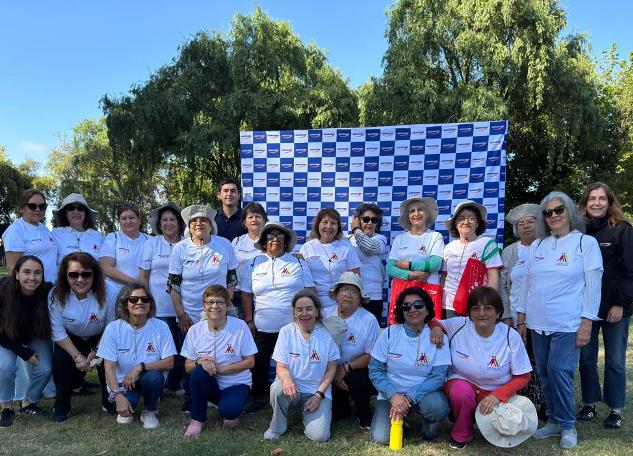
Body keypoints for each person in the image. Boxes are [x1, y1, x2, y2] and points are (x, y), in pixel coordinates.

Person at [514, 191, 603, 449]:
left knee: (559, 370)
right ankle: (553, 420)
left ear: (570, 212)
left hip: (568, 323)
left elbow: (593, 286)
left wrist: (587, 323)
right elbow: (526, 284)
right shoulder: (538, 245)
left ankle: (567, 425)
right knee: (543, 372)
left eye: (559, 210)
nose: (553, 215)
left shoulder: (585, 243)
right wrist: (521, 319)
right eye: (548, 212)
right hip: (537, 323)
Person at [430, 287, 532, 450]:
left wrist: (498, 396)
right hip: (463, 383)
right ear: (470, 313)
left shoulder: (510, 336)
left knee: (500, 428)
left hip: (495, 391)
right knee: (461, 392)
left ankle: (475, 417)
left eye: (488, 308)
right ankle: (462, 433)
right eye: (476, 308)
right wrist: (436, 327)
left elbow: (523, 376)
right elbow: (433, 321)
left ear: (498, 313)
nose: (481, 313)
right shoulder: (459, 324)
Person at [240, 222, 314, 413]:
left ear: (286, 241)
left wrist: (306, 320)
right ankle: (258, 396)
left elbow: (310, 292)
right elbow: (246, 294)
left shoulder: (298, 262)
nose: (275, 239)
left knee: (295, 362)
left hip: (293, 328)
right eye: (270, 235)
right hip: (262, 327)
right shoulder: (254, 263)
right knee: (259, 363)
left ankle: (297, 394)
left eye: (280, 235)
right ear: (264, 241)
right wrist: (249, 320)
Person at [577, 182, 633, 429]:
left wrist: (620, 304)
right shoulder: (579, 233)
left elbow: (630, 271)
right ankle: (589, 404)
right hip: (586, 309)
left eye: (602, 198)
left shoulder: (622, 229)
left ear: (610, 202)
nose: (597, 203)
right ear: (585, 203)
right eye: (592, 199)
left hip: (615, 308)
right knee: (586, 358)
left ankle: (615, 409)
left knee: (615, 360)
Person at [368, 287, 450, 445]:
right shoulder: (389, 334)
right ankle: (401, 420)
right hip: (391, 394)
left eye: (418, 305)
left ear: (427, 309)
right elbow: (375, 370)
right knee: (380, 438)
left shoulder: (438, 337)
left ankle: (428, 429)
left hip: (424, 394)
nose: (412, 309)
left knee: (438, 407)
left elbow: (438, 377)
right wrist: (393, 395)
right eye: (406, 306)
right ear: (401, 311)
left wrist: (409, 397)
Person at [97, 283, 177, 429]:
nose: (140, 302)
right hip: (123, 383)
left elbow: (169, 362)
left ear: (150, 304)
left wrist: (140, 367)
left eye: (145, 299)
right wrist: (117, 395)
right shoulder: (113, 328)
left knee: (153, 378)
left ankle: (150, 410)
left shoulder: (161, 326)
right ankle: (128, 402)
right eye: (133, 299)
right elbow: (109, 367)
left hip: (148, 377)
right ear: (125, 304)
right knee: (125, 414)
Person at [264, 290, 339, 442]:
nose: (304, 313)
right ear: (294, 313)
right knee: (277, 388)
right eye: (299, 309)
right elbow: (281, 366)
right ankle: (277, 427)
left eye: (309, 309)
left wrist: (319, 395)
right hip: (293, 388)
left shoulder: (328, 333)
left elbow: (331, 369)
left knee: (320, 436)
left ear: (317, 311)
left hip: (316, 391)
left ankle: (309, 413)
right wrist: (287, 380)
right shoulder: (286, 331)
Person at [181, 285, 257, 435]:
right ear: (204, 305)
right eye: (210, 302)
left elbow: (250, 362)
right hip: (211, 382)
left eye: (220, 302)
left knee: (229, 412)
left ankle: (227, 406)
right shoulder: (195, 330)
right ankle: (197, 419)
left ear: (227, 305)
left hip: (236, 383)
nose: (214, 306)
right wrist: (199, 362)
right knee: (198, 370)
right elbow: (188, 366)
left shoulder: (240, 326)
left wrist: (220, 368)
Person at [49, 252, 114, 422]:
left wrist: (97, 350)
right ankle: (62, 404)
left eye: (86, 274)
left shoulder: (110, 291)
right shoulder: (55, 294)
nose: (80, 279)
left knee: (109, 360)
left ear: (95, 275)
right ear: (65, 275)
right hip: (70, 338)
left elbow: (111, 326)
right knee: (62, 362)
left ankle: (110, 400)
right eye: (73, 274)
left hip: (101, 336)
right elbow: (57, 332)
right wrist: (77, 357)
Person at [0, 256, 53, 427]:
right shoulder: (2, 290)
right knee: (5, 367)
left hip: (34, 336)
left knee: (45, 369)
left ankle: (28, 402)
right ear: (16, 274)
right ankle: (6, 407)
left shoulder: (47, 291)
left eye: (37, 273)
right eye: (27, 272)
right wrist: (24, 352)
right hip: (6, 337)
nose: (32, 277)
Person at [139, 202, 185, 394]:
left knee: (182, 346)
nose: (168, 223)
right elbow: (144, 276)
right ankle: (159, 383)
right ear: (159, 224)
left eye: (172, 219)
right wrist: (146, 301)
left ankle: (175, 384)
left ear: (179, 222)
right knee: (161, 348)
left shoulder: (187, 242)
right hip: (158, 306)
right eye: (164, 220)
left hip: (183, 306)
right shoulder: (151, 243)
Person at [326, 272, 379, 429]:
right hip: (327, 369)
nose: (349, 295)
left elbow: (372, 354)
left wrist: (345, 368)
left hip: (354, 368)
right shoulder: (323, 314)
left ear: (360, 299)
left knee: (359, 381)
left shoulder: (369, 320)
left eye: (355, 292)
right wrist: (333, 371)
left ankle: (363, 413)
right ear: (336, 294)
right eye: (344, 289)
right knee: (338, 414)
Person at [386, 197, 444, 323]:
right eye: (412, 211)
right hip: (402, 291)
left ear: (427, 213)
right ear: (408, 216)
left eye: (420, 210)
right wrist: (412, 275)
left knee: (429, 328)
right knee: (400, 328)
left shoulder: (435, 236)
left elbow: (435, 265)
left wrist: (408, 265)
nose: (416, 214)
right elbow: (390, 268)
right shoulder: (399, 239)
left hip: (428, 290)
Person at [442, 200, 502, 318]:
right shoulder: (448, 247)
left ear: (478, 223)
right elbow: (444, 277)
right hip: (448, 304)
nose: (466, 222)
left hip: (477, 304)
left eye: (471, 218)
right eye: (461, 218)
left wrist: (489, 303)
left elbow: (493, 276)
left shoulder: (487, 243)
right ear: (455, 223)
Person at [300, 208, 361, 308]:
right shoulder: (307, 247)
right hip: (314, 302)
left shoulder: (346, 247)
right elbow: (302, 278)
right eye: (325, 222)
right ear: (318, 225)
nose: (328, 226)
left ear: (338, 227)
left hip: (341, 303)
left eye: (333, 223)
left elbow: (356, 277)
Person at [2, 189, 58, 283]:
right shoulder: (15, 230)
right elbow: (12, 268)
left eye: (42, 206)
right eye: (32, 206)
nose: (38, 209)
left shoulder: (45, 229)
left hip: (50, 288)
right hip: (32, 288)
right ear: (21, 208)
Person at [100, 203, 149, 305]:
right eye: (123, 218)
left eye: (132, 218)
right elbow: (106, 267)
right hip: (116, 295)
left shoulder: (150, 240)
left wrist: (142, 288)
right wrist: (135, 283)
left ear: (139, 220)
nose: (128, 221)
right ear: (119, 221)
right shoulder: (113, 238)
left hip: (143, 295)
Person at [348, 203, 388, 322]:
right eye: (365, 219)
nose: (369, 223)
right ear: (358, 220)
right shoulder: (347, 239)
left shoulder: (380, 239)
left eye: (373, 220)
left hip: (373, 297)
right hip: (351, 296)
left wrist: (355, 229)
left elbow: (370, 247)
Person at [231, 202, 268, 318]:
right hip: (239, 294)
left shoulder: (271, 241)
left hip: (263, 294)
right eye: (250, 217)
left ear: (264, 220)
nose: (254, 219)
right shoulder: (236, 241)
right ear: (244, 222)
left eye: (258, 216)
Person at [51, 193, 103, 264]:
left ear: (85, 213)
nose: (76, 212)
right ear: (65, 213)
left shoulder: (98, 236)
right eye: (71, 208)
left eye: (80, 208)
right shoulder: (55, 235)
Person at [214, 178, 247, 242]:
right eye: (225, 191)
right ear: (220, 195)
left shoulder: (247, 218)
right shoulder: (212, 218)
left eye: (233, 191)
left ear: (239, 195)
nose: (229, 194)